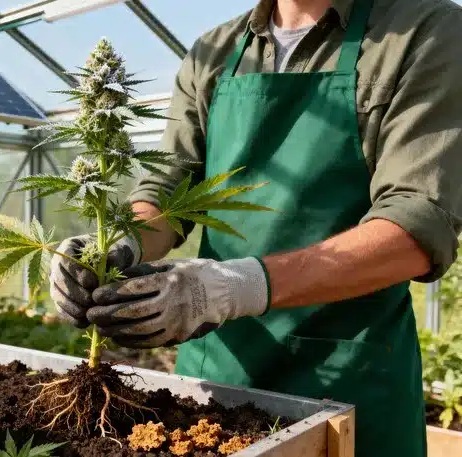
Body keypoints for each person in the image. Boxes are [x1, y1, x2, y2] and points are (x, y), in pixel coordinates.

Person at [48, 0, 462, 455]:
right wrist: (118, 244)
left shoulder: (424, 29)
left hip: (348, 383)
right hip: (216, 379)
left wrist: (235, 287)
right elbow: (169, 188)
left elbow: (418, 224)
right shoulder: (216, 50)